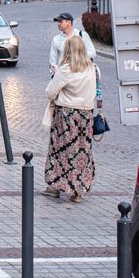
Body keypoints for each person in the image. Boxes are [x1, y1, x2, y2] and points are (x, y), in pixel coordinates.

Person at [43, 35, 97, 203]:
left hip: (66, 116)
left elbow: (50, 92)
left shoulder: (66, 69)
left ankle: (56, 186)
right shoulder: (91, 68)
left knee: (61, 151)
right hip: (85, 116)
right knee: (81, 152)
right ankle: (77, 191)